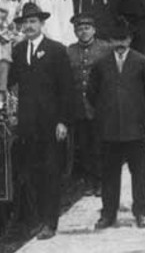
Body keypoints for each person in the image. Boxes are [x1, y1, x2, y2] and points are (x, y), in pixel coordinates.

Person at [7, 3, 74, 241]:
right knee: (31, 173)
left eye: (33, 22)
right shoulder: (17, 50)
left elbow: (67, 89)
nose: (28, 26)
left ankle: (50, 222)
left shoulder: (56, 50)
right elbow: (11, 82)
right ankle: (35, 221)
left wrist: (63, 121)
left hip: (51, 124)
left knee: (51, 173)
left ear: (41, 24)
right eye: (25, 23)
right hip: (28, 124)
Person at [88, 27, 145, 229]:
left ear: (130, 38)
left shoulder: (142, 62)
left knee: (139, 173)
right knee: (109, 173)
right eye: (116, 38)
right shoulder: (100, 64)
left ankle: (141, 212)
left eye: (124, 38)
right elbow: (92, 93)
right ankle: (108, 214)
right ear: (110, 40)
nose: (120, 43)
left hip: (136, 129)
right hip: (109, 129)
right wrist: (105, 114)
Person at [65, 12, 109, 195]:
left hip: (99, 106)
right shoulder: (70, 51)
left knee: (101, 145)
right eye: (79, 29)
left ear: (94, 30)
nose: (83, 32)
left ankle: (102, 181)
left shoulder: (105, 48)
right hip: (79, 106)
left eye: (86, 28)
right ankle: (90, 181)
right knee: (84, 146)